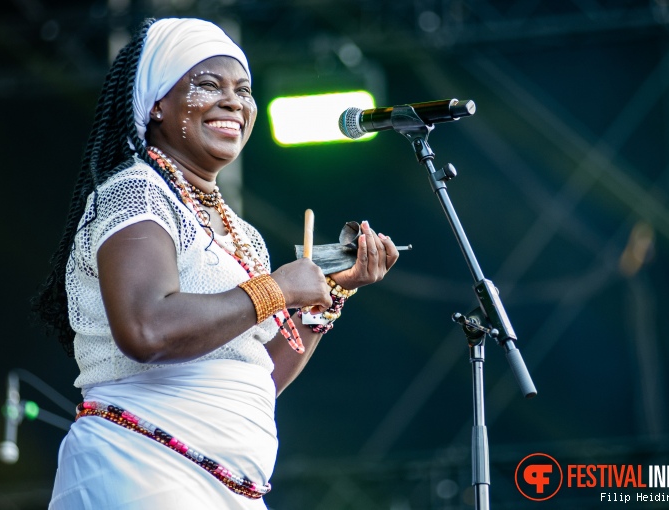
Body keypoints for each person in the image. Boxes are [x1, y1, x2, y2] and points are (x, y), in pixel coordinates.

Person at [33, 17, 398, 509]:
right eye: (208, 85)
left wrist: (326, 297)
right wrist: (279, 289)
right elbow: (147, 330)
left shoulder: (243, 236)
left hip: (227, 485)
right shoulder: (137, 193)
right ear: (157, 103)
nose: (234, 102)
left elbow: (254, 377)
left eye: (243, 91)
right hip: (142, 470)